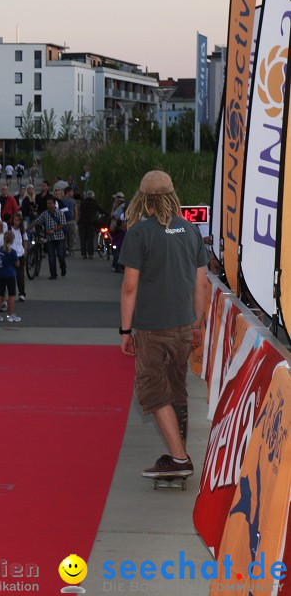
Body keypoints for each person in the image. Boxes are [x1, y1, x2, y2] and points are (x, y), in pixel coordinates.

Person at [119, 170, 208, 480]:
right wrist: (196, 323)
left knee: (154, 393)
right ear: (172, 196)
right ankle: (176, 452)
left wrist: (125, 330)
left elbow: (130, 288)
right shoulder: (191, 231)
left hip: (151, 328)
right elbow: (201, 284)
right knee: (176, 390)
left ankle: (180, 458)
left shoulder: (139, 234)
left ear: (144, 201)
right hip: (184, 326)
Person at [28, 197, 67, 280]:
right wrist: (28, 228)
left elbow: (62, 224)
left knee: (60, 255)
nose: (48, 205)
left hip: (60, 237)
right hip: (50, 239)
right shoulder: (45, 214)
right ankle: (53, 274)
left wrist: (53, 230)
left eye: (50, 203)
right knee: (51, 256)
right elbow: (37, 221)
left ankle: (63, 267)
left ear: (54, 203)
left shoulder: (60, 213)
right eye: (47, 203)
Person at [0, 231, 20, 322]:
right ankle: (10, 315)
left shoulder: (1, 249)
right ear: (12, 240)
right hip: (10, 274)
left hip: (1, 274)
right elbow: (17, 264)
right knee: (11, 295)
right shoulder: (12, 252)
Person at [78, 190, 108, 258]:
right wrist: (108, 215)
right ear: (93, 196)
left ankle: (83, 254)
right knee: (90, 239)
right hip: (91, 223)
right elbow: (102, 210)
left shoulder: (82, 203)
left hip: (82, 223)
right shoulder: (94, 203)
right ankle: (90, 254)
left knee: (83, 239)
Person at [10, 212, 28, 302]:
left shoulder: (22, 231)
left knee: (20, 275)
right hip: (11, 255)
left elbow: (25, 240)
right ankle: (11, 293)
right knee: (10, 275)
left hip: (20, 254)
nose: (16, 222)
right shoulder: (9, 229)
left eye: (18, 220)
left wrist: (24, 250)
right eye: (15, 220)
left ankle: (22, 293)